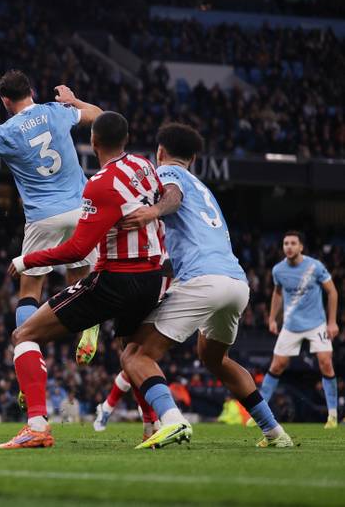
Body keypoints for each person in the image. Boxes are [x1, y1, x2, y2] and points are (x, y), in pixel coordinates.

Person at [117, 123, 293, 449]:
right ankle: (275, 433)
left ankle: (172, 419)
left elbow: (172, 196)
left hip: (203, 280)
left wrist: (153, 211)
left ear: (160, 152)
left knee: (135, 355)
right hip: (236, 283)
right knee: (214, 358)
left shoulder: (168, 174)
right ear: (195, 157)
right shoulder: (205, 188)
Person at [0, 112, 166, 449]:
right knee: (132, 354)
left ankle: (36, 425)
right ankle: (153, 424)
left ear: (93, 142)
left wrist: (26, 259)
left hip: (114, 280)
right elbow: (161, 198)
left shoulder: (99, 184)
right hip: (153, 277)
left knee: (25, 333)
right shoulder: (144, 166)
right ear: (127, 138)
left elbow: (78, 248)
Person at [0, 69, 103, 363]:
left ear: (6, 101)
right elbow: (99, 115)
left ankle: (30, 355)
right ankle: (90, 326)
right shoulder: (57, 111)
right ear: (31, 91)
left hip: (44, 217)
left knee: (30, 290)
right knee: (79, 278)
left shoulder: (5, 132)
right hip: (81, 210)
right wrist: (74, 100)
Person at [259, 231, 339, 428]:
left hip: (316, 323)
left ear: (301, 247)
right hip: (291, 325)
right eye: (285, 243)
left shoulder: (315, 266)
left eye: (293, 243)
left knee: (325, 362)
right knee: (277, 365)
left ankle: (333, 416)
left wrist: (332, 322)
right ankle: (259, 414)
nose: (288, 246)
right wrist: (272, 319)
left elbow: (332, 292)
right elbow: (277, 294)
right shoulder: (278, 270)